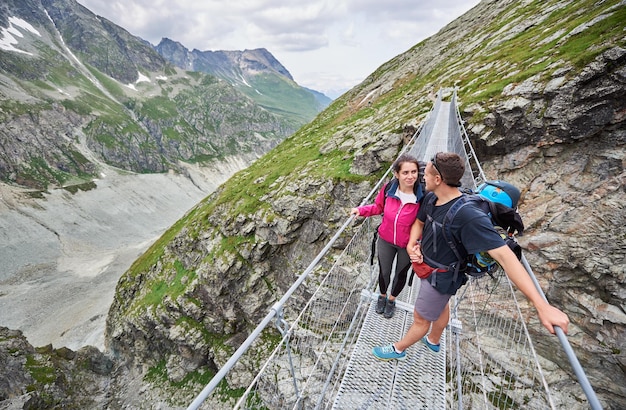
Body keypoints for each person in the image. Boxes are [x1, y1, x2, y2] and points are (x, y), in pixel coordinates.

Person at [372, 152, 569, 360]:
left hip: (442, 276)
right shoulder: (432, 197)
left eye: (426, 175)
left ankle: (398, 349)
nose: (423, 179)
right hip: (431, 269)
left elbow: (505, 256)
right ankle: (434, 340)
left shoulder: (468, 216)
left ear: (438, 179)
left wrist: (542, 306)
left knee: (421, 318)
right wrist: (413, 242)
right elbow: (420, 222)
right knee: (442, 304)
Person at [351, 154, 424, 319]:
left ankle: (392, 300)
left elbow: (424, 222)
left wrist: (420, 244)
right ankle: (382, 296)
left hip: (408, 244)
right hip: (386, 239)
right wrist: (361, 211)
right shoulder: (389, 189)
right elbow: (378, 207)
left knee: (400, 274)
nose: (411, 176)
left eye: (414, 172)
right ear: (397, 174)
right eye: (405, 172)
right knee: (384, 272)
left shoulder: (422, 196)